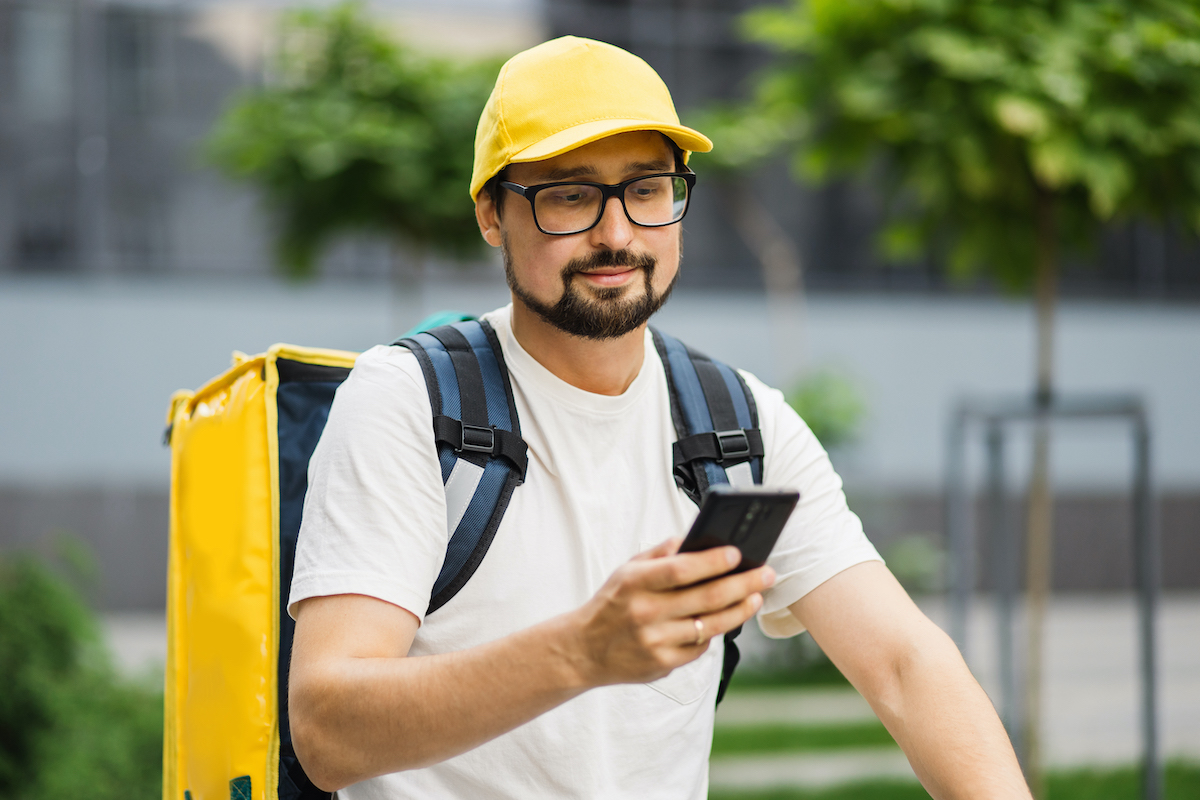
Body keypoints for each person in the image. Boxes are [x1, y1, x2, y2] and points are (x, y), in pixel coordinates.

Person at [287, 36, 1031, 800]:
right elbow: (325, 732)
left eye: (646, 189)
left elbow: (907, 667)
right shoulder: (408, 401)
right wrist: (581, 651)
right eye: (569, 196)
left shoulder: (739, 425)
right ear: (491, 214)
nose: (617, 235)